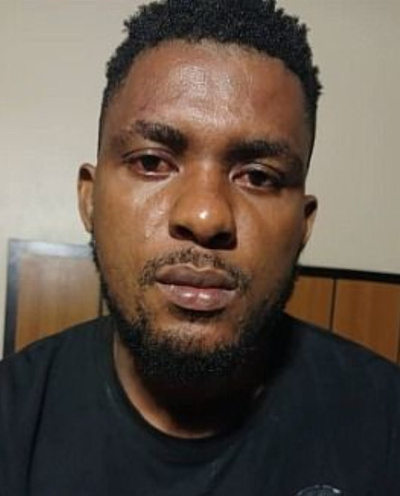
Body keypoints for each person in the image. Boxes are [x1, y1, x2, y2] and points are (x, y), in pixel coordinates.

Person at [1, 0, 400, 494]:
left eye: (258, 176)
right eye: (152, 162)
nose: (205, 217)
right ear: (90, 199)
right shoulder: (12, 421)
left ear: (303, 224)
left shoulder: (385, 428)